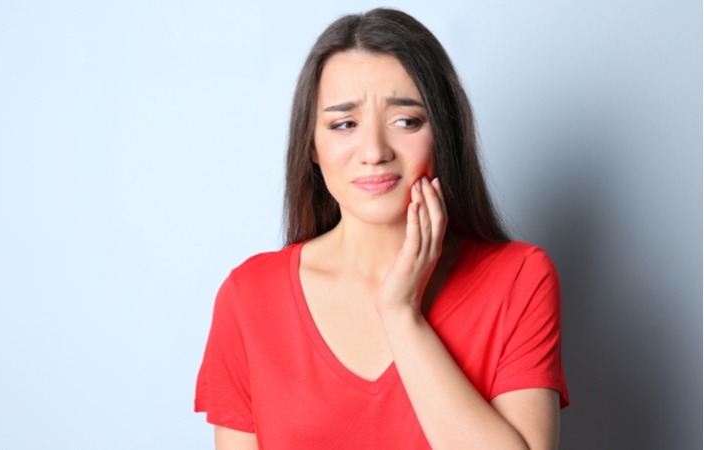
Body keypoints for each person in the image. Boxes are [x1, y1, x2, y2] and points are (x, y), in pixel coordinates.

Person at [195, 8, 568, 450]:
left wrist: (401, 313)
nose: (373, 151)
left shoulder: (519, 279)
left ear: (443, 134)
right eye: (344, 124)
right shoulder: (250, 297)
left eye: (405, 121)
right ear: (311, 146)